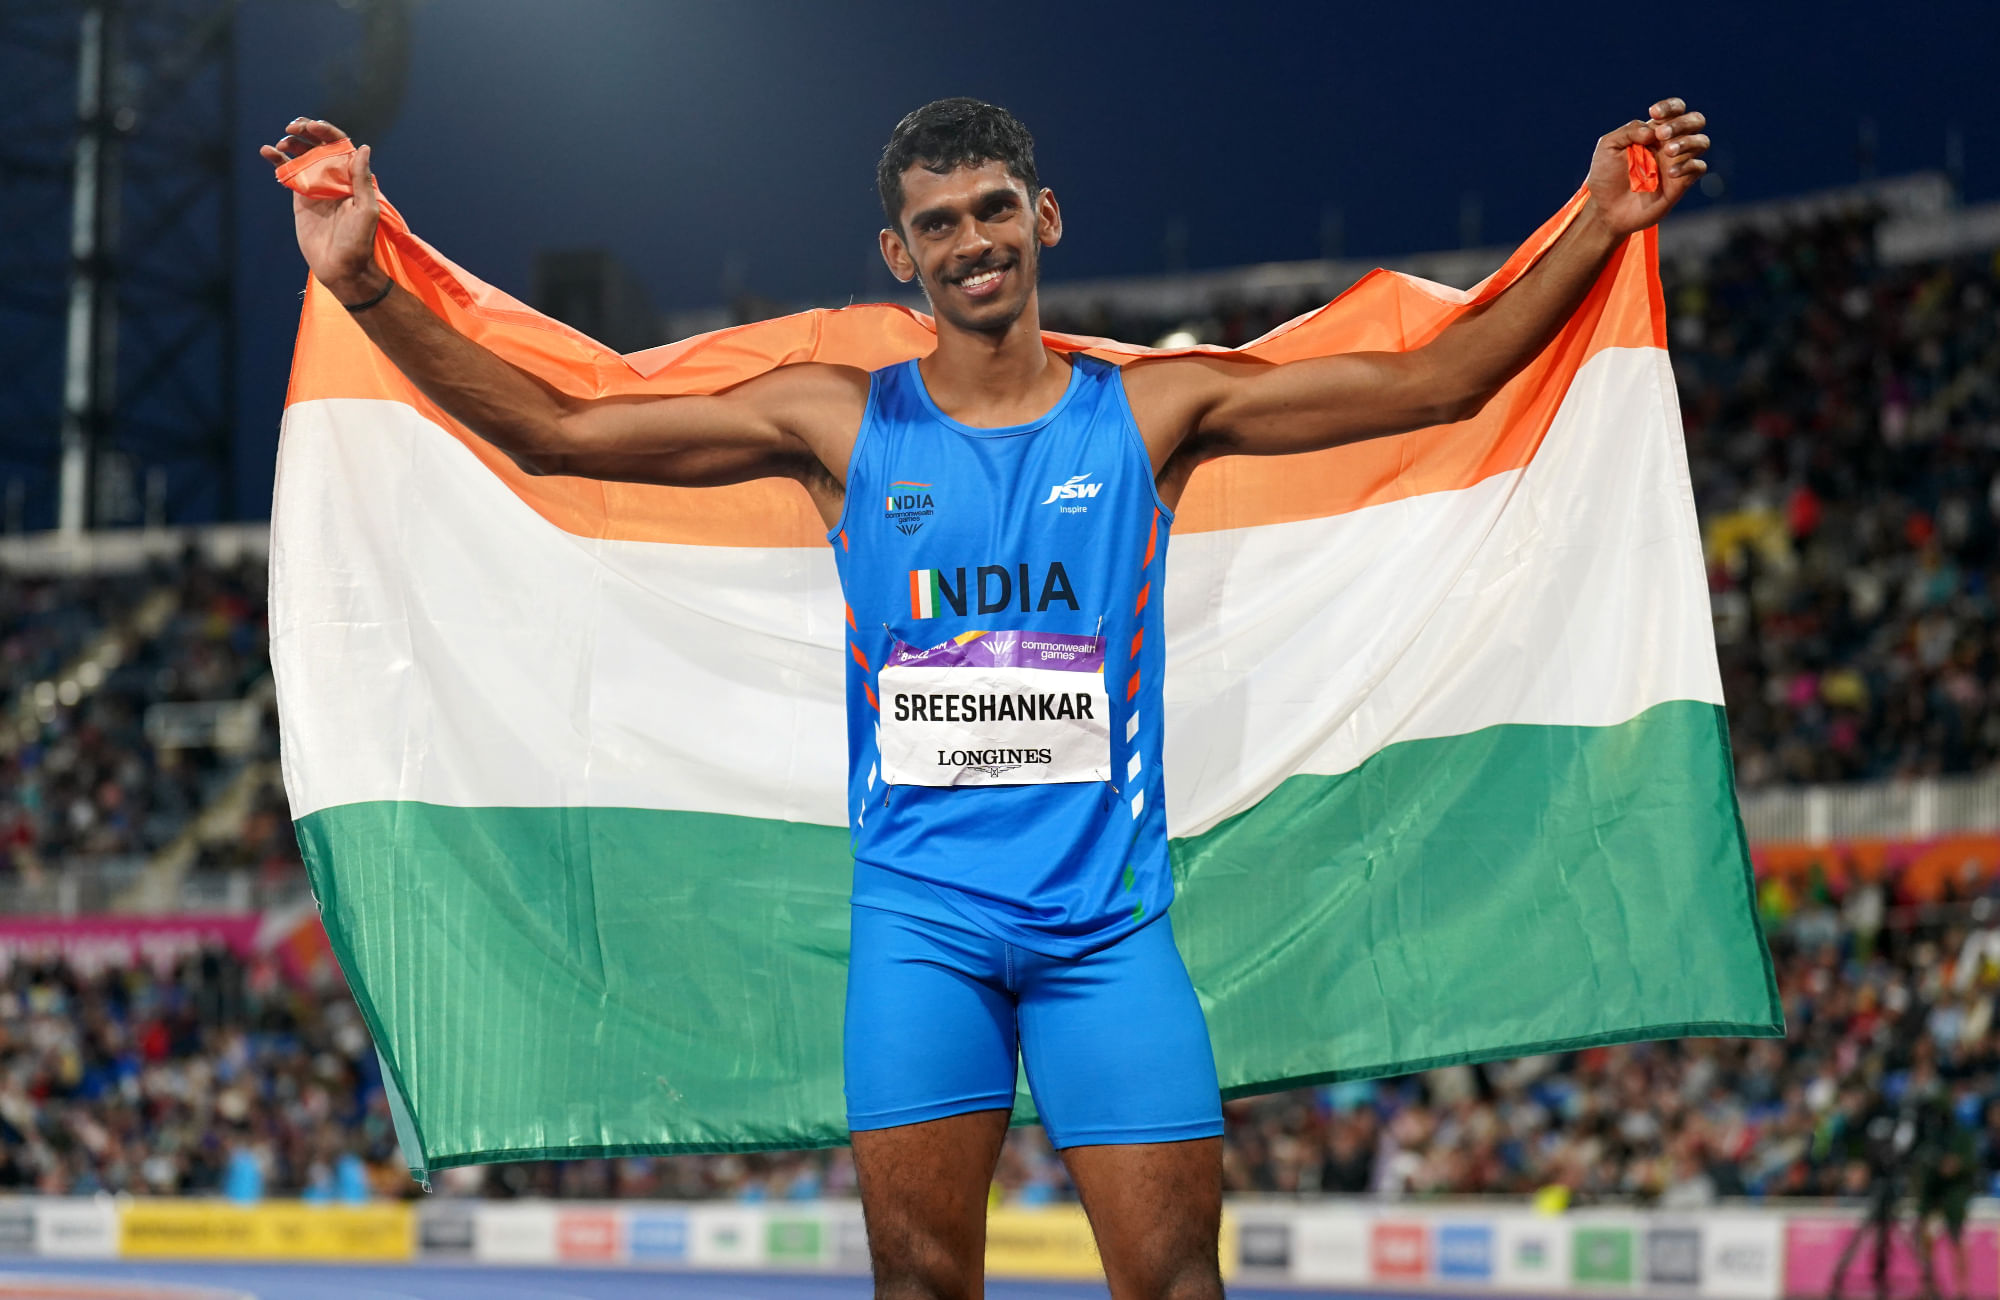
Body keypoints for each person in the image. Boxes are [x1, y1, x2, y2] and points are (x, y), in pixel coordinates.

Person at [262, 95, 1709, 1300]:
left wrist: (1595, 219)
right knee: (922, 1283)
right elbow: (553, 429)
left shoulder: (1152, 413)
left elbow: (1441, 382)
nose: (973, 241)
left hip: (1105, 936)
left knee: (1172, 1284)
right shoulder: (836, 422)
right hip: (922, 932)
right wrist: (364, 276)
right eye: (940, 223)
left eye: (995, 209)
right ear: (900, 254)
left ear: (1045, 220)